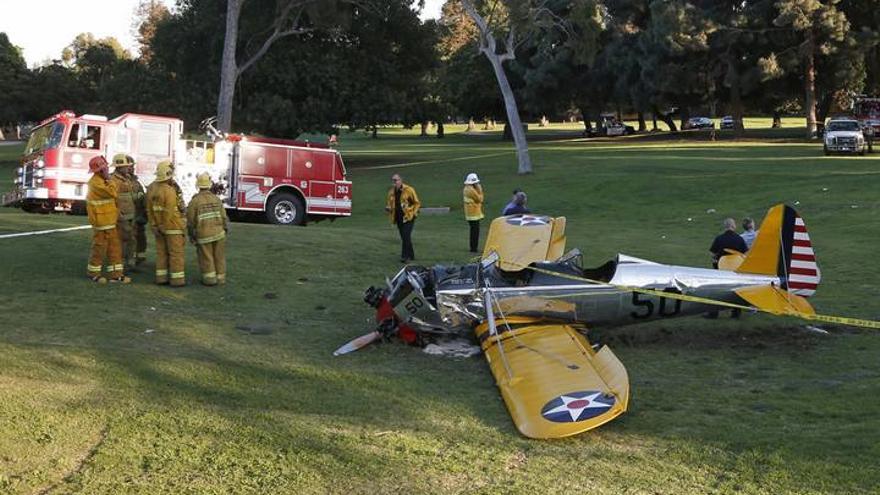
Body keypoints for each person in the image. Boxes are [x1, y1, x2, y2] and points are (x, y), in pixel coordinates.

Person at [85, 156, 130, 284]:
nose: (107, 170)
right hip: (101, 222)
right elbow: (113, 192)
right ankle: (93, 273)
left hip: (109, 221)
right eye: (104, 168)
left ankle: (116, 275)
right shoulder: (96, 183)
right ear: (99, 170)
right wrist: (109, 179)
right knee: (99, 249)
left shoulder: (101, 180)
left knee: (114, 248)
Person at [146, 160, 187, 287]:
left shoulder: (152, 189)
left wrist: (154, 225)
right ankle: (177, 280)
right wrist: (164, 225)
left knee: (161, 253)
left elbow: (149, 209)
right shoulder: (170, 189)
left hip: (158, 227)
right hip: (173, 226)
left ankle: (161, 278)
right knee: (176, 254)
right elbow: (170, 209)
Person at [187, 173, 229, 286]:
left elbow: (190, 222)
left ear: (198, 186)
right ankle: (221, 279)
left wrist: (191, 235)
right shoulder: (216, 199)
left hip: (204, 235)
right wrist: (225, 229)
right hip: (219, 233)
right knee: (219, 257)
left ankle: (209, 279)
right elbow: (224, 217)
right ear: (209, 185)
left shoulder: (194, 202)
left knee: (206, 257)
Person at [707, 218, 748, 318]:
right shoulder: (739, 239)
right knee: (736, 289)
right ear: (734, 226)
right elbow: (745, 253)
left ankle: (714, 313)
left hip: (721, 268)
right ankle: (736, 312)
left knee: (717, 290)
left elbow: (712, 253)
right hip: (735, 268)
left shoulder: (719, 238)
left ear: (725, 226)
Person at [110, 154, 138, 270]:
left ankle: (130, 263)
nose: (128, 168)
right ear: (119, 167)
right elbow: (113, 199)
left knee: (131, 239)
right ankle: (119, 264)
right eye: (126, 166)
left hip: (131, 215)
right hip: (121, 217)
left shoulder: (127, 178)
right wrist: (118, 215)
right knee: (120, 241)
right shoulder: (113, 180)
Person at [385, 173, 420, 262]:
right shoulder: (391, 192)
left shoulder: (409, 190)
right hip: (398, 218)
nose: (394, 182)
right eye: (393, 180)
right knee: (405, 237)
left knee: (405, 236)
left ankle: (405, 257)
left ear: (401, 180)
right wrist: (388, 208)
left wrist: (414, 213)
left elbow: (417, 203)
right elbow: (389, 204)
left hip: (408, 217)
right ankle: (411, 255)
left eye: (396, 180)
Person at [462, 172, 484, 253]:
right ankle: (473, 248)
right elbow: (480, 199)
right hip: (473, 215)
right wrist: (480, 190)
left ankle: (473, 247)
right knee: (475, 232)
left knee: (474, 231)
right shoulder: (470, 190)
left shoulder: (468, 188)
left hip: (472, 214)